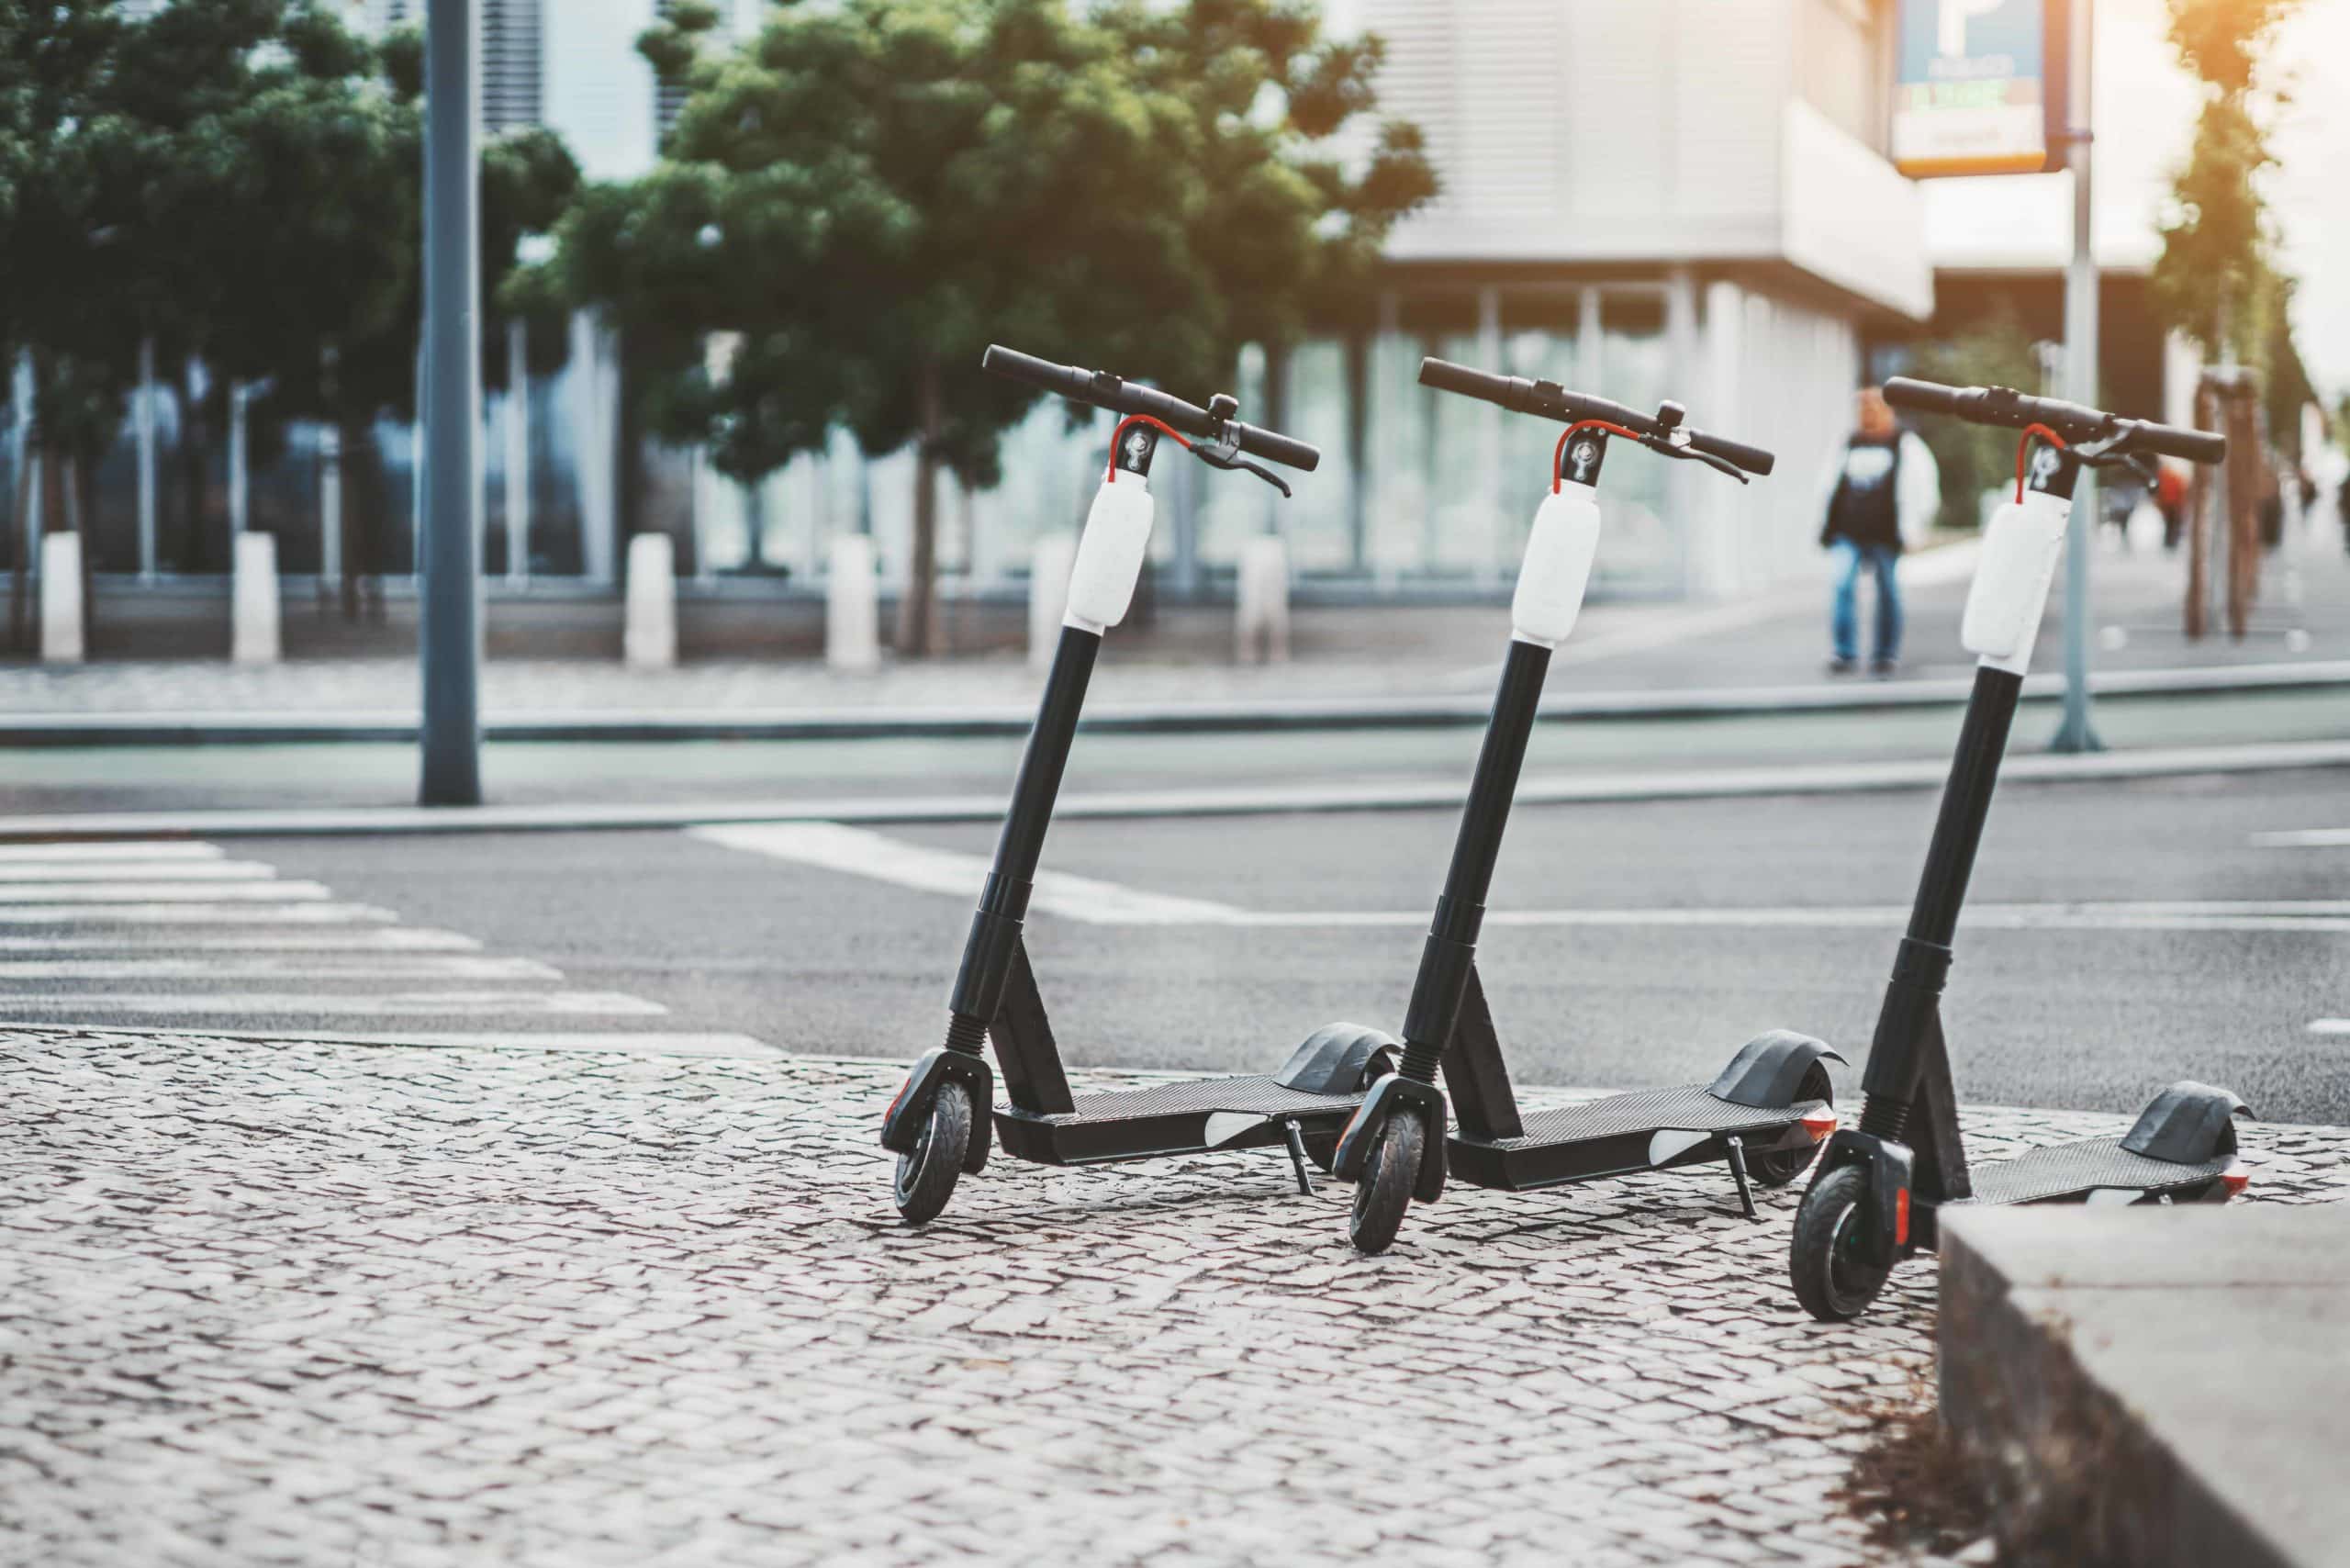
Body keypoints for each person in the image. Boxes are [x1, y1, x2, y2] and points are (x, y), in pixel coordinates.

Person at [1815, 386, 1941, 676]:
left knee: (1888, 592)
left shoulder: (1905, 445)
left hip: (1886, 533)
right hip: (1849, 531)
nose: (1868, 413)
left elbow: (1924, 490)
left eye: (1873, 407)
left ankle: (1885, 654)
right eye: (1863, 408)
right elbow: (1828, 486)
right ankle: (1844, 652)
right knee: (1841, 585)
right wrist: (1825, 524)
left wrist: (1914, 529)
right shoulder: (1847, 443)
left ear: (1888, 411)